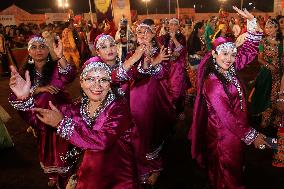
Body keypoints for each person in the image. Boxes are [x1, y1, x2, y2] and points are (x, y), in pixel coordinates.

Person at [9, 58, 140, 189]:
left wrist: (61, 124)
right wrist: (24, 98)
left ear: (110, 83)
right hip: (86, 173)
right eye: (90, 79)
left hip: (118, 176)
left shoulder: (118, 108)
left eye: (103, 79)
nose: (97, 85)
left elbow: (103, 140)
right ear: (81, 83)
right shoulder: (75, 108)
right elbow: (40, 121)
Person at [189, 7, 269, 189]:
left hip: (235, 131)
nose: (230, 58)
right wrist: (252, 136)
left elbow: (248, 51)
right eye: (225, 54)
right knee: (228, 172)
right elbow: (227, 118)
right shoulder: (213, 83)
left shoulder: (229, 67)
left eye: (233, 54)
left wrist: (252, 22)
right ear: (214, 54)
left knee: (233, 168)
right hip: (224, 134)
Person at [112, 18, 188, 186]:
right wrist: (148, 60)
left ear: (153, 34)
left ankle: (156, 167)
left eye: (147, 31)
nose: (143, 34)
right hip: (137, 97)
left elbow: (163, 73)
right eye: (140, 31)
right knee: (139, 132)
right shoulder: (133, 53)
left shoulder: (160, 50)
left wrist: (154, 60)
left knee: (154, 130)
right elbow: (133, 75)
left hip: (155, 96)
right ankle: (144, 167)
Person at [9, 35, 76, 188]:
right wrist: (37, 89)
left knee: (63, 144)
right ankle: (53, 173)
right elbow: (14, 95)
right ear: (29, 52)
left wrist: (61, 57)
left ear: (48, 50)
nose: (38, 50)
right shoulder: (24, 71)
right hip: (39, 116)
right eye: (34, 47)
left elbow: (70, 76)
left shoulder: (56, 66)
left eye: (42, 47)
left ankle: (64, 172)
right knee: (46, 144)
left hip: (61, 112)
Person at [250, 19, 283, 130]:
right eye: (266, 27)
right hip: (266, 74)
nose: (267, 29)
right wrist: (270, 66)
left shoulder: (282, 42)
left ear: (276, 28)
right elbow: (259, 59)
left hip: (280, 74)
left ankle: (275, 119)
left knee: (276, 96)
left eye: (270, 27)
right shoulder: (263, 41)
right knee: (264, 95)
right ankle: (265, 118)